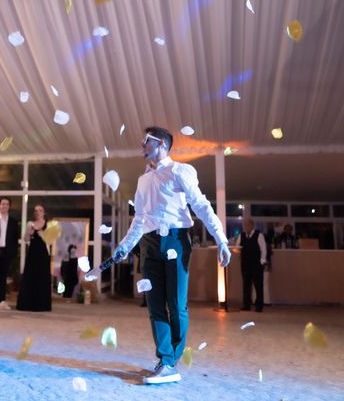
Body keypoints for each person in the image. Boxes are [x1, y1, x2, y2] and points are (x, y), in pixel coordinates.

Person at [107, 127, 231, 385]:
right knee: (154, 304)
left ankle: (171, 361)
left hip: (176, 239)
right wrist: (125, 246)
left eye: (146, 141)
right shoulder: (142, 181)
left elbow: (201, 205)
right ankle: (164, 359)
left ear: (161, 144)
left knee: (176, 304)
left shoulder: (180, 171)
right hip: (150, 244)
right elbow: (139, 219)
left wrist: (221, 239)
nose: (141, 144)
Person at [16, 204, 52, 312]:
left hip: (43, 254)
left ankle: (42, 304)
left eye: (40, 210)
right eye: (36, 210)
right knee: (30, 277)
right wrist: (29, 233)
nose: (38, 212)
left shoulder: (48, 224)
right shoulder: (30, 224)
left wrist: (42, 235)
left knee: (42, 278)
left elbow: (50, 241)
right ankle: (27, 304)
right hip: (32, 253)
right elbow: (25, 239)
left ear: (44, 212)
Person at [236, 218, 267, 312]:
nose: (246, 227)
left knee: (258, 285)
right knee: (246, 285)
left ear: (252, 225)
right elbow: (237, 247)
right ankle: (246, 305)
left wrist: (262, 261)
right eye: (244, 225)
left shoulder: (259, 235)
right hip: (245, 264)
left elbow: (263, 249)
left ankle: (259, 306)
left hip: (256, 264)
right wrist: (235, 250)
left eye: (248, 225)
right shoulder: (241, 235)